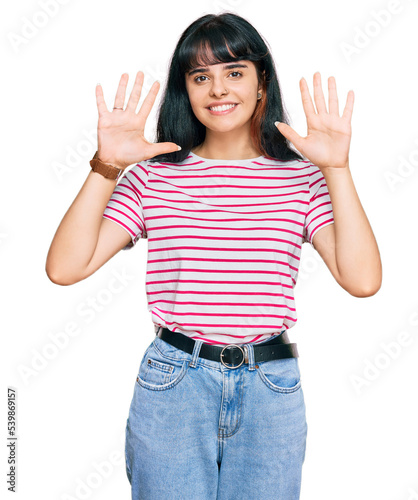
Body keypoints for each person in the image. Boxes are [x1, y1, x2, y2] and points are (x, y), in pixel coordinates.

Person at [45, 12, 382, 500]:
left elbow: (363, 279)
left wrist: (338, 170)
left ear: (262, 82)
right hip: (175, 383)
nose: (218, 89)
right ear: (186, 90)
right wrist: (109, 165)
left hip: (271, 388)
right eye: (200, 76)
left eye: (234, 71)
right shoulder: (151, 177)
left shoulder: (304, 180)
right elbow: (64, 267)